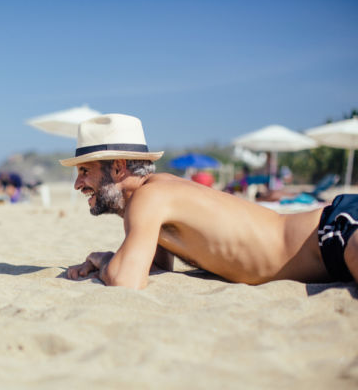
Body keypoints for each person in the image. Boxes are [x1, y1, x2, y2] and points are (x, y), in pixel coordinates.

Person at [62, 114, 358, 289]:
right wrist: (113, 261)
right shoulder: (156, 194)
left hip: (332, 233)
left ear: (118, 167)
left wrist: (102, 261)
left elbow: (126, 282)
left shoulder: (150, 197)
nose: (78, 184)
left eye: (85, 171)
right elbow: (156, 266)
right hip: (328, 242)